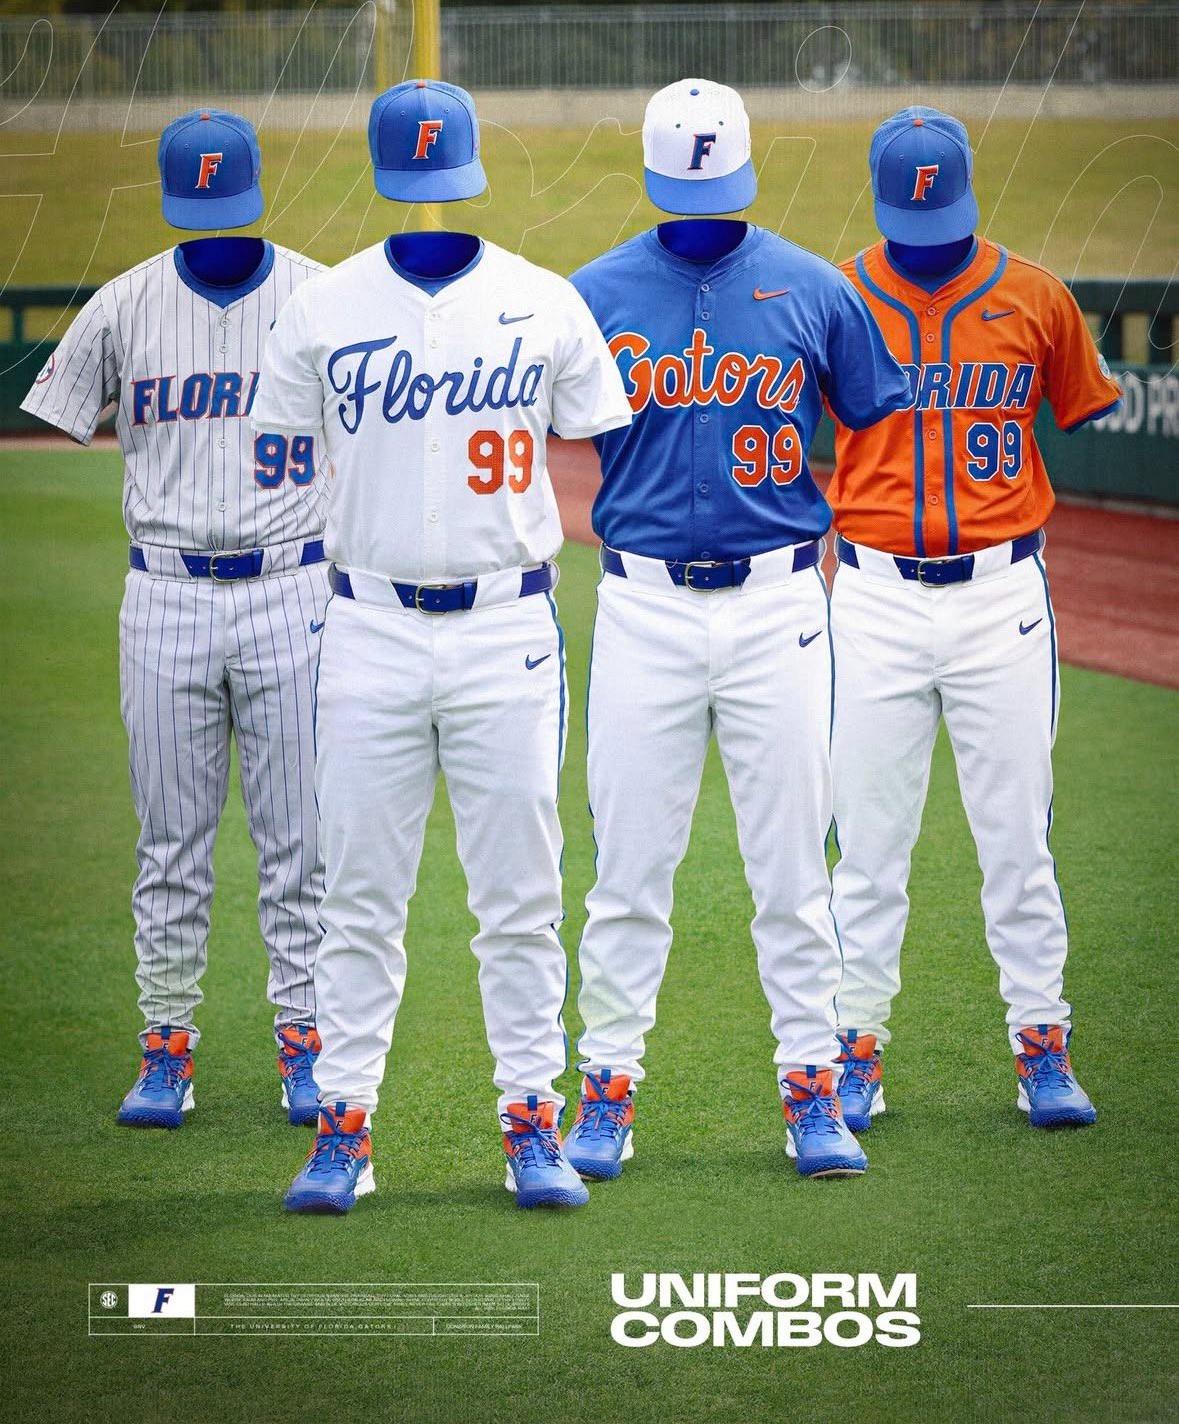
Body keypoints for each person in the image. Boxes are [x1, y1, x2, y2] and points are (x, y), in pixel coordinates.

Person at [253, 80, 633, 1214]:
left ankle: (530, 1122)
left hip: (507, 626)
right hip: (366, 623)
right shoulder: (322, 307)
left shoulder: (543, 300)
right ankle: (345, 1126)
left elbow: (599, 429)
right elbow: (281, 449)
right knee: (358, 896)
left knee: (519, 895)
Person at [563, 79, 914, 1183]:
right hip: (643, 606)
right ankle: (606, 1092)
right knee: (628, 872)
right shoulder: (591, 295)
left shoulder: (813, 286)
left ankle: (811, 1092)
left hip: (778, 608)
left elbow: (873, 416)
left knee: (793, 874)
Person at [21, 109, 329, 1128]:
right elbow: (56, 415)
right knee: (170, 843)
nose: (214, 224)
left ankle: (306, 1041)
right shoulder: (123, 304)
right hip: (164, 595)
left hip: (293, 589)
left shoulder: (321, 298)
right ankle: (166, 1044)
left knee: (299, 843)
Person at [827, 105, 1120, 1132]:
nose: (927, 239)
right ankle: (854, 1047)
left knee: (1017, 842)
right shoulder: (833, 299)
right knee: (868, 847)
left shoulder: (1036, 295)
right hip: (872, 596)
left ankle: (1042, 1044)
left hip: (1002, 598)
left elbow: (1082, 403)